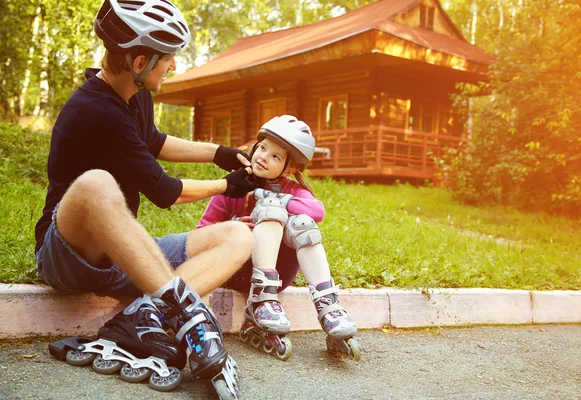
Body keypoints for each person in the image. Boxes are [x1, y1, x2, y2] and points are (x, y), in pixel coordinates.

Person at [35, 0, 254, 395]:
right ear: (140, 63)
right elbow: (164, 191)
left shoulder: (134, 96)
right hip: (68, 255)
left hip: (119, 253)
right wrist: (226, 185)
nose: (173, 67)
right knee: (96, 183)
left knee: (239, 236)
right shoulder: (95, 109)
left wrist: (219, 152)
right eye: (168, 59)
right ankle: (188, 314)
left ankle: (141, 315)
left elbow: (155, 141)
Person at [196, 115, 361, 361]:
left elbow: (318, 211)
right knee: (271, 210)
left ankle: (328, 306)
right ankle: (259, 303)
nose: (262, 156)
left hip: (278, 276)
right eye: (262, 148)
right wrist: (231, 229)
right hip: (237, 271)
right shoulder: (234, 184)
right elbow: (200, 233)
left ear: (290, 169)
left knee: (301, 221)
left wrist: (271, 197)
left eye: (275, 156)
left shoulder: (292, 189)